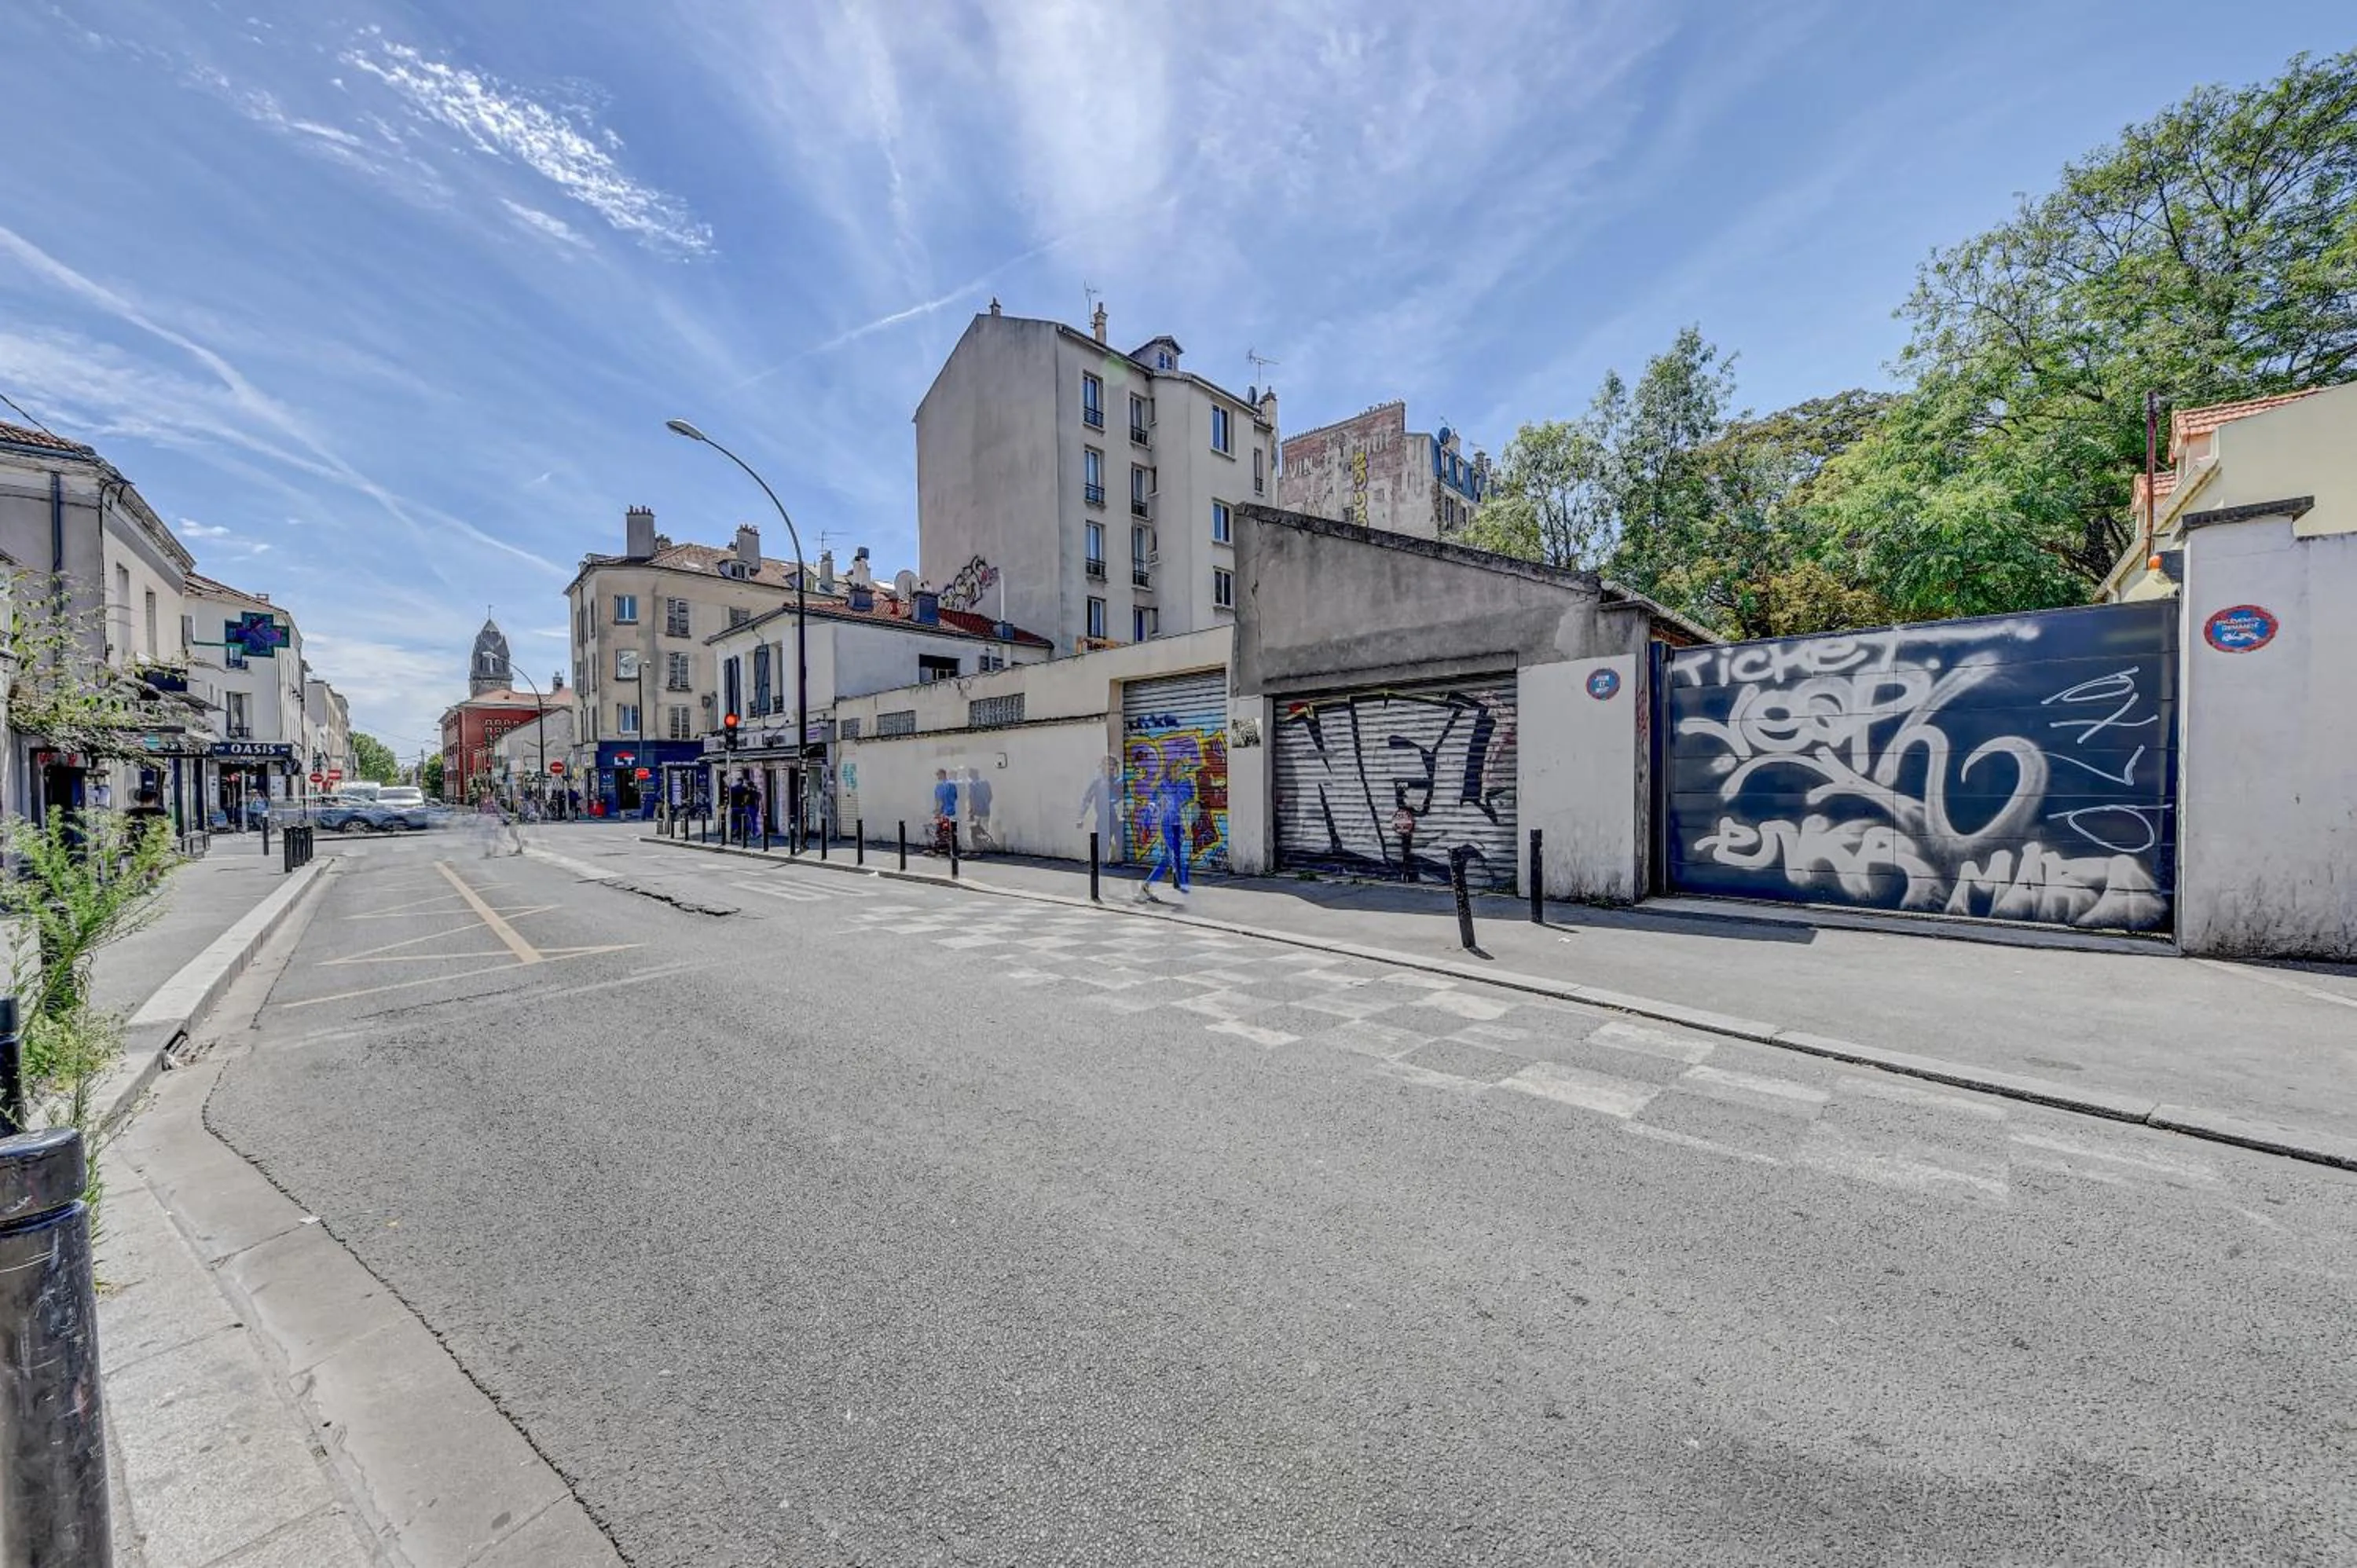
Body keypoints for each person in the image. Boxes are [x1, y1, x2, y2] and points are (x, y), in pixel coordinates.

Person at [1138, 758, 1196, 903]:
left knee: (1165, 861)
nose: (1179, 772)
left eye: (1180, 770)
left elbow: (1186, 798)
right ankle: (1183, 884)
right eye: (1176, 770)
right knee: (1176, 856)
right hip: (1168, 825)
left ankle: (1146, 886)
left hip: (1179, 825)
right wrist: (1146, 825)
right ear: (1169, 771)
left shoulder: (1183, 784)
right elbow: (1152, 805)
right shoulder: (1162, 786)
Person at [1076, 754, 1124, 863]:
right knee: (1103, 845)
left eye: (1113, 765)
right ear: (1102, 766)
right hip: (1104, 819)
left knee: (1121, 845)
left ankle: (1118, 864)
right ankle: (1101, 868)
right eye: (1108, 765)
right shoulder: (1098, 782)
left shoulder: (1120, 782)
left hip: (1119, 819)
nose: (1111, 767)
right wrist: (1081, 817)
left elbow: (1128, 799)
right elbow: (1087, 800)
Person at [964, 766, 996, 853]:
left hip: (976, 812)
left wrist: (971, 812)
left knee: (974, 830)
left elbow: (971, 799)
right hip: (986, 811)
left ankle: (978, 848)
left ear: (972, 775)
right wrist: (985, 804)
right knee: (985, 830)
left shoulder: (972, 785)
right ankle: (985, 847)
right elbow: (990, 796)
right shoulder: (986, 783)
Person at [931, 767, 960, 854]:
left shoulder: (939, 786)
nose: (937, 777)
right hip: (952, 811)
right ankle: (952, 848)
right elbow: (956, 797)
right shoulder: (952, 785)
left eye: (938, 775)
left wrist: (937, 812)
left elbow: (940, 800)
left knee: (941, 831)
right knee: (950, 831)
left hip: (943, 812)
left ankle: (943, 848)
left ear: (943, 774)